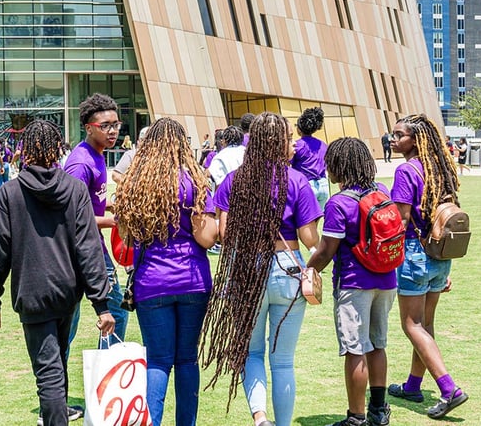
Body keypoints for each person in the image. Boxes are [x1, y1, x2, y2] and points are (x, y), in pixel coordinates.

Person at [0, 120, 116, 426]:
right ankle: (59, 413)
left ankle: (56, 417)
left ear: (24, 150)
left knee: (49, 372)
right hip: (66, 292)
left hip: (33, 293)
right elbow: (88, 248)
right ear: (58, 149)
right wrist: (101, 303)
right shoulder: (74, 190)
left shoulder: (10, 193)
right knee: (55, 365)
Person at [201, 113, 321, 426]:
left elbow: (226, 235)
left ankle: (260, 417)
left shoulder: (234, 180)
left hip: (246, 271)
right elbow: (310, 239)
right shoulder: (297, 181)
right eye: (289, 138)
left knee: (251, 354)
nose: (294, 143)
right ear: (279, 142)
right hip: (287, 270)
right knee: (282, 361)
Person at [113, 118, 218, 426]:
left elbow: (126, 236)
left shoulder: (134, 186)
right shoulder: (194, 182)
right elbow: (206, 237)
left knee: (157, 361)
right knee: (186, 359)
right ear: (182, 145)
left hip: (151, 281)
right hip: (192, 278)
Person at [306, 138, 396, 426]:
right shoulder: (382, 191)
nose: (326, 168)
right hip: (387, 279)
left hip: (354, 283)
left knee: (355, 349)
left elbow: (326, 250)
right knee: (377, 345)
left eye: (329, 163)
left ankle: (356, 416)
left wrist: (309, 270)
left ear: (339, 166)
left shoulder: (339, 202)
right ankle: (379, 412)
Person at [388, 114, 468, 419]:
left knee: (411, 325)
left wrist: (386, 257)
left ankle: (449, 389)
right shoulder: (440, 168)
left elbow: (401, 220)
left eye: (399, 135)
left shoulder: (406, 171)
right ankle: (412, 385)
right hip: (440, 256)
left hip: (413, 254)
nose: (393, 140)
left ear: (415, 140)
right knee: (426, 325)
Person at [63, 93, 129, 346]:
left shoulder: (98, 153)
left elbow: (91, 202)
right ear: (89, 128)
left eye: (116, 125)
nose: (113, 131)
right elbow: (72, 214)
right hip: (82, 249)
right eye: (105, 126)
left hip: (90, 246)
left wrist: (112, 206)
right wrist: (113, 222)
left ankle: (106, 374)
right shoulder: (80, 163)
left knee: (109, 314)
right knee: (112, 313)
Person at [291, 107, 329, 209]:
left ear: (299, 128)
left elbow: (288, 165)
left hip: (307, 185)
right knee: (316, 221)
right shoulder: (323, 145)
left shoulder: (297, 145)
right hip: (324, 185)